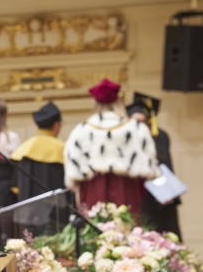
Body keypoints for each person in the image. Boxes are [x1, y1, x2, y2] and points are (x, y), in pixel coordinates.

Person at [64, 79, 159, 220]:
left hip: (93, 187)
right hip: (127, 187)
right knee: (126, 229)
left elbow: (73, 169)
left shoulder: (81, 130)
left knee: (95, 229)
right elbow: (147, 166)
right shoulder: (137, 129)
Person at [127, 92, 182, 239]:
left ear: (149, 122)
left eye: (141, 121)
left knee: (162, 231)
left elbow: (165, 164)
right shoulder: (125, 139)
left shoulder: (159, 137)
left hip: (157, 195)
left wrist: (167, 190)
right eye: (134, 121)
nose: (137, 126)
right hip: (135, 194)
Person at [11, 102, 70, 236]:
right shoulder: (62, 149)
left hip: (28, 218)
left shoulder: (24, 149)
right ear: (56, 125)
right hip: (56, 219)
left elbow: (15, 187)